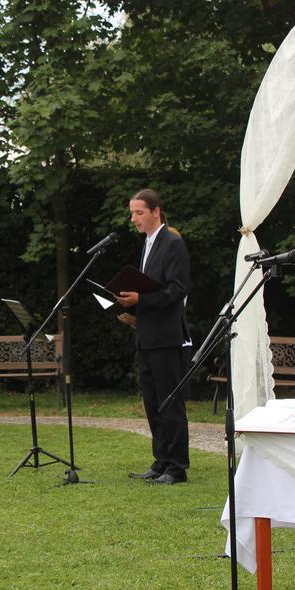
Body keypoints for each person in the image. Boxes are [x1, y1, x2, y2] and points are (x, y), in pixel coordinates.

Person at [116, 189, 192, 486]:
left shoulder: (172, 243)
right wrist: (132, 305)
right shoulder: (148, 243)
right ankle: (161, 460)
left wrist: (140, 300)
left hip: (166, 336)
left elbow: (177, 289)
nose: (133, 218)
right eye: (132, 213)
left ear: (156, 211)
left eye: (139, 212)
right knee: (151, 400)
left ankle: (177, 467)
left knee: (169, 402)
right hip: (146, 334)